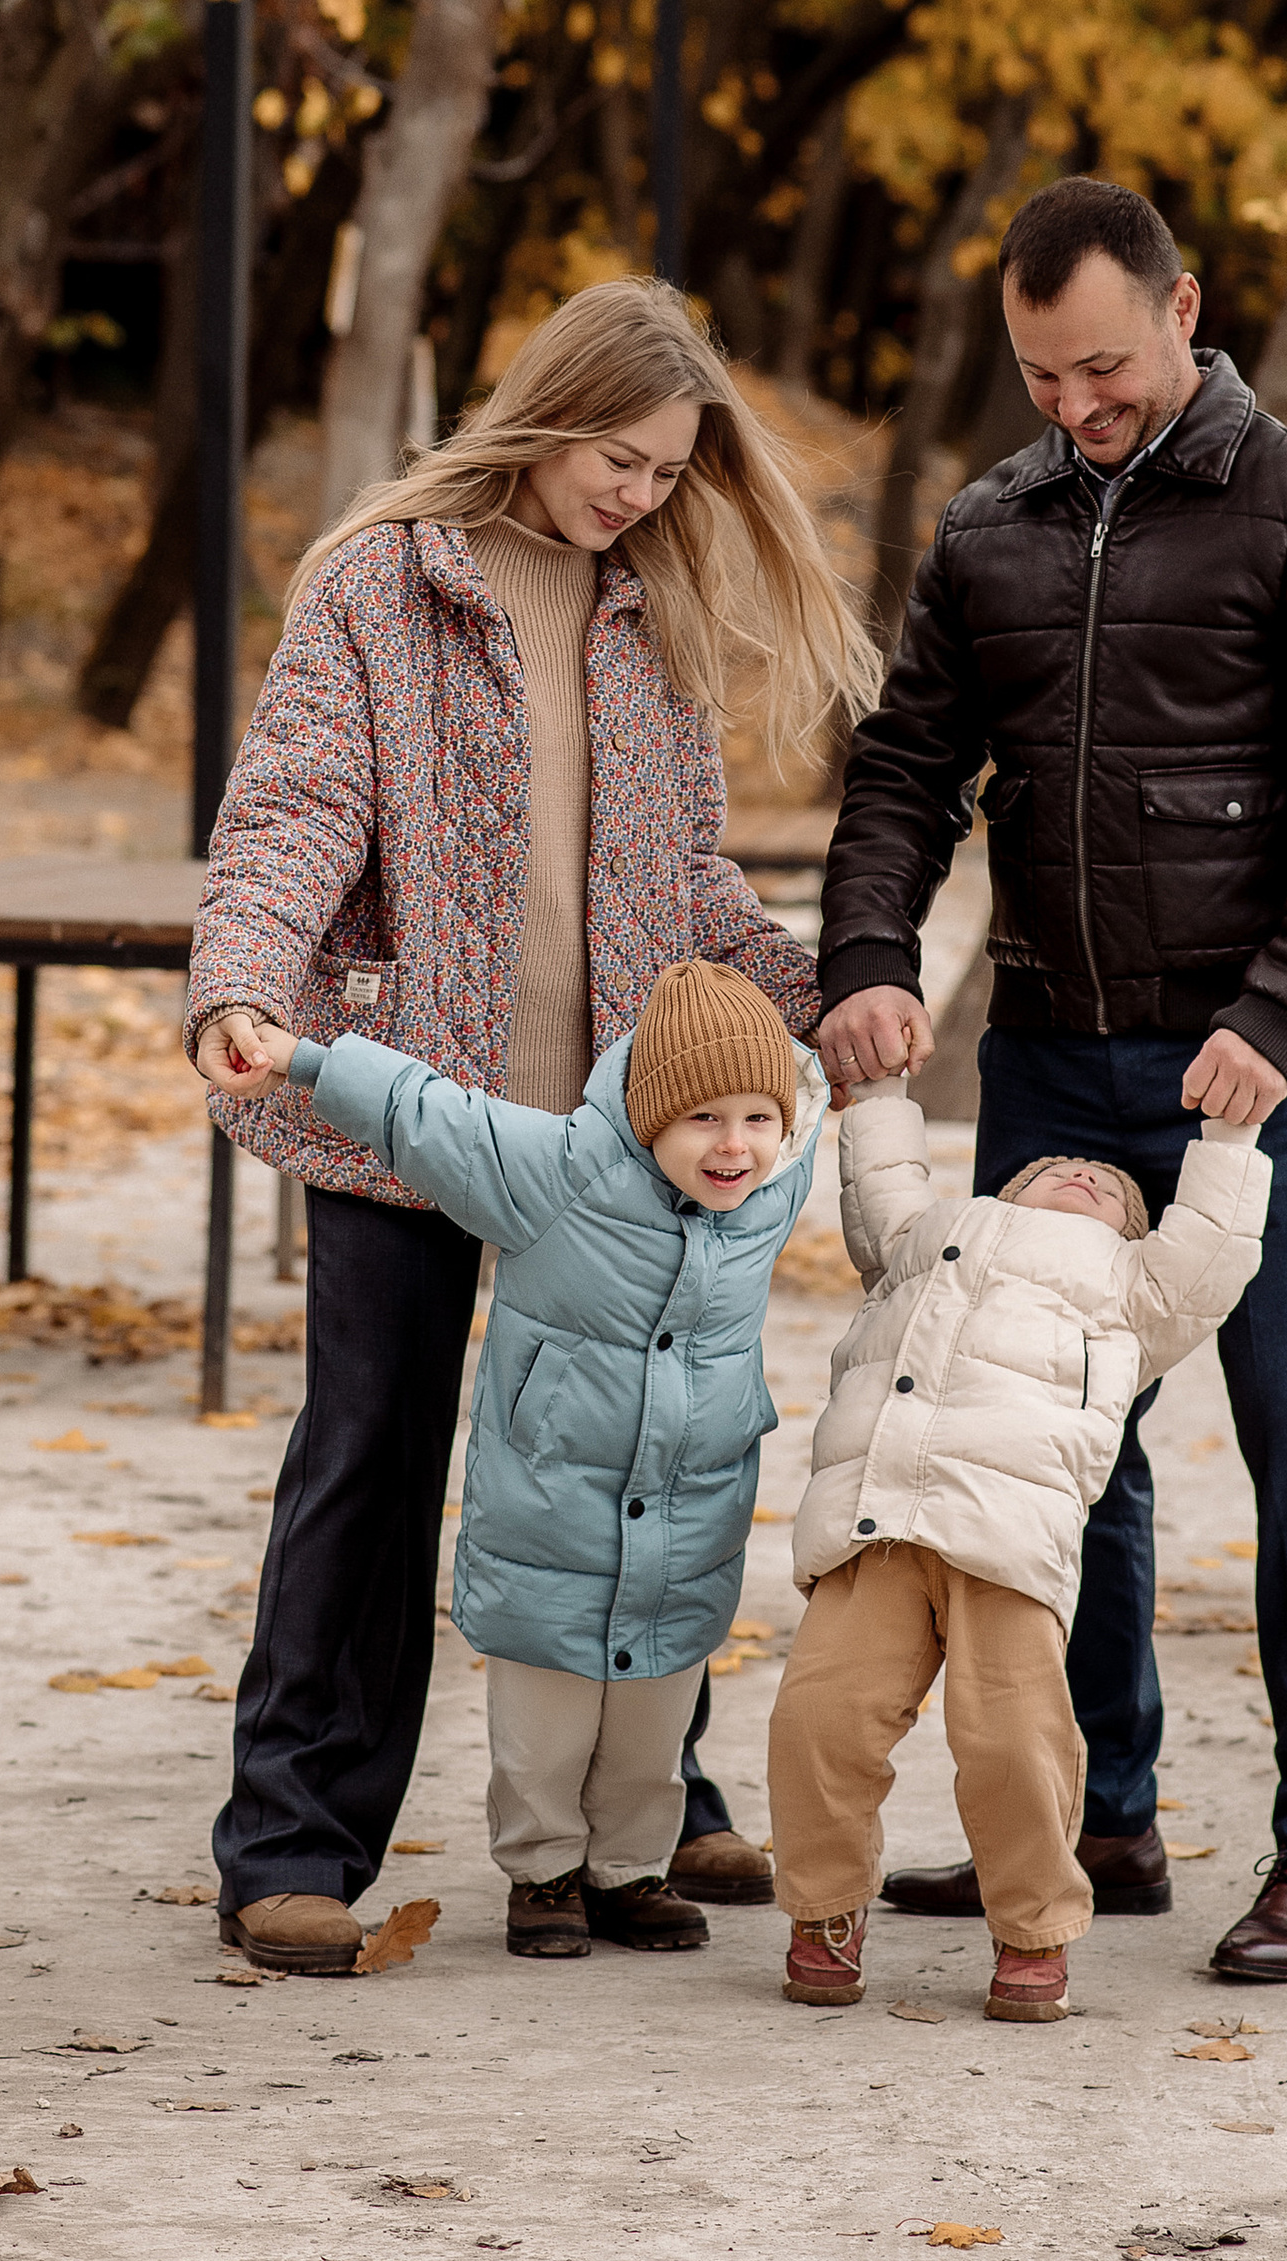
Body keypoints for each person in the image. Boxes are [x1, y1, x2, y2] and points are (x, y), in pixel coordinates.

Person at [187, 279, 881, 1976]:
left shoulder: (653, 609)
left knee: (648, 1459)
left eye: (669, 471)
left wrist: (818, 998)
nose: (638, 494)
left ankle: (651, 1802)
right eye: (616, 457)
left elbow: (689, 879)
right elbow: (292, 813)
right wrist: (241, 989)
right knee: (371, 1454)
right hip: (413, 1114)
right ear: (545, 414)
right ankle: (292, 1844)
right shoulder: (381, 586)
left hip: (621, 1143)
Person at [814, 177, 1287, 1983]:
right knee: (1055, 1454)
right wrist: (868, 959)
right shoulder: (989, 527)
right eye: (1041, 377)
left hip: (1254, 1070)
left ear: (1184, 306)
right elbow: (904, 772)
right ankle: (1096, 1818)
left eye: (1101, 367)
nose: (1075, 406)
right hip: (1048, 1056)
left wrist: (1285, 1015)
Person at [218, 960, 828, 1959]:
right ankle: (542, 1870)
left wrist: (874, 1055)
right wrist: (307, 1059)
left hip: (690, 1515)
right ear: (649, 1115)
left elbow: (824, 1094)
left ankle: (630, 1870)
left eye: (757, 1120)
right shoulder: (557, 1171)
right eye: (703, 1119)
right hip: (551, 1509)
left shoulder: (772, 1184)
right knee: (544, 1724)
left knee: (653, 1717)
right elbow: (428, 1112)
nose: (734, 1146)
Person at [770, 1084, 1271, 2023]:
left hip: (1007, 1539)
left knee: (1015, 1744)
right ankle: (825, 1910)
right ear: (1004, 1189)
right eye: (1055, 1169)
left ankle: (1034, 1929)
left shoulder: (1134, 1288)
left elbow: (1214, 1247)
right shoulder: (928, 1237)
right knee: (818, 1721)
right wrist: (878, 1096)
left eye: (1110, 1188)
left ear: (1133, 1231)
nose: (1082, 1174)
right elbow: (882, 1187)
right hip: (875, 1522)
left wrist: (1231, 1134)